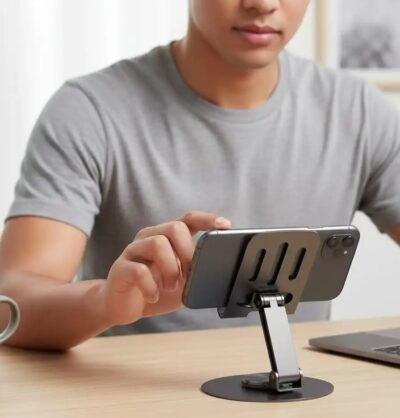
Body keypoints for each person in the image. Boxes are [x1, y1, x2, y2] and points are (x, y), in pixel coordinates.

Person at [0, 0, 399, 351]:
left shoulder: (359, 112)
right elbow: (10, 305)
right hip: (138, 404)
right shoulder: (90, 111)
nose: (262, 3)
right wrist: (104, 302)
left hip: (307, 401)